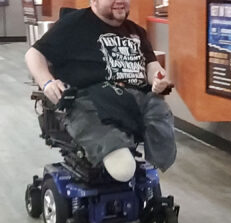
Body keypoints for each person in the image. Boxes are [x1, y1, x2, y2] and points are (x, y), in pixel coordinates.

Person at [25, 0, 176, 182]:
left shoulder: (137, 31)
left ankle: (147, 157)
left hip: (135, 99)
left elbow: (152, 66)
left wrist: (159, 79)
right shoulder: (74, 23)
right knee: (123, 167)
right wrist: (47, 82)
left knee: (158, 110)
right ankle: (114, 150)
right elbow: (34, 54)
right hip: (90, 100)